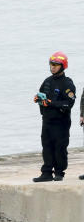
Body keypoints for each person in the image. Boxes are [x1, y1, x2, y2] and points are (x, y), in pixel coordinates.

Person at [33, 51, 75, 182]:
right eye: (51, 64)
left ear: (63, 66)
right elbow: (41, 95)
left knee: (60, 147)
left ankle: (59, 172)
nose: (53, 67)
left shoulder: (67, 84)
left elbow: (69, 104)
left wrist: (51, 103)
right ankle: (46, 173)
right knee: (46, 146)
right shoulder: (47, 81)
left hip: (61, 122)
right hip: (47, 120)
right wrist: (38, 99)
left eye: (56, 65)